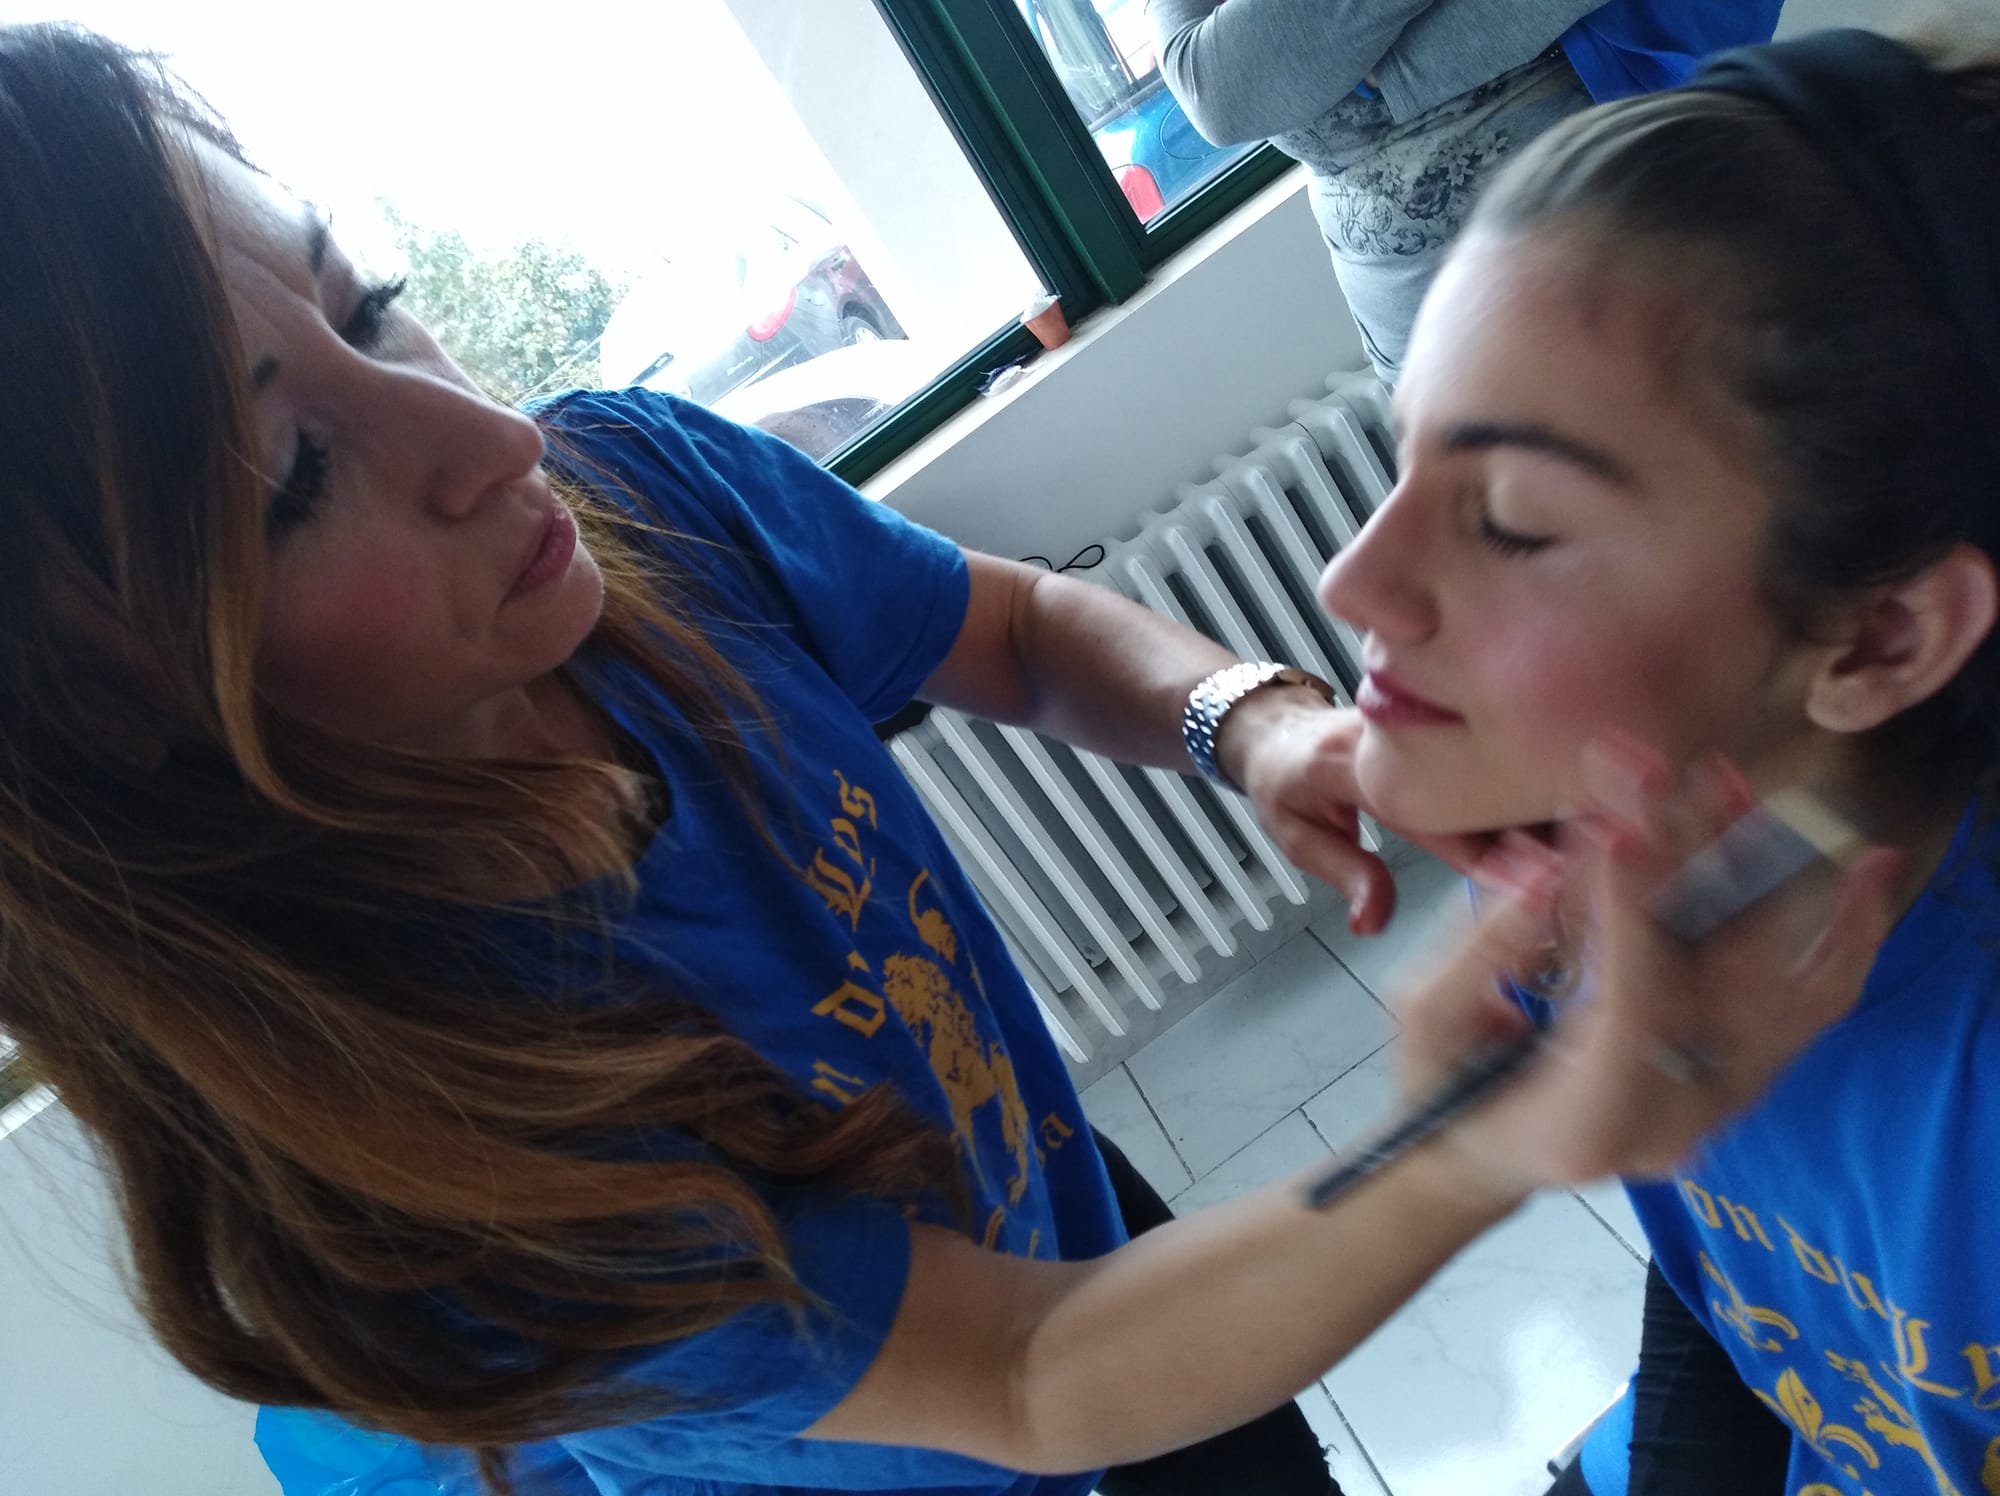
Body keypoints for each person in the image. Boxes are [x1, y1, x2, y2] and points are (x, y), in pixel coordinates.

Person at [0, 20, 1897, 1496]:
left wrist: (1249, 722)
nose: (484, 439)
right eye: (296, 476)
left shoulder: (632, 490)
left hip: (1063, 1235)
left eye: (368, 304)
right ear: (105, 698)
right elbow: (1030, 1374)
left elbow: (1019, 629)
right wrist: (1484, 1132)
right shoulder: (406, 1176)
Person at [1310, 22, 2000, 1495]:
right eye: (1402, 456)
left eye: (1514, 522)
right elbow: (1745, 1302)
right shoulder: (1617, 892)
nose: (1349, 581)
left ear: (1880, 636)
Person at [1148, 0, 1783, 383]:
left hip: (1622, 247)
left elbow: (1287, 88)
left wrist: (1371, 74)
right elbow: (1223, 89)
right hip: (1413, 322)